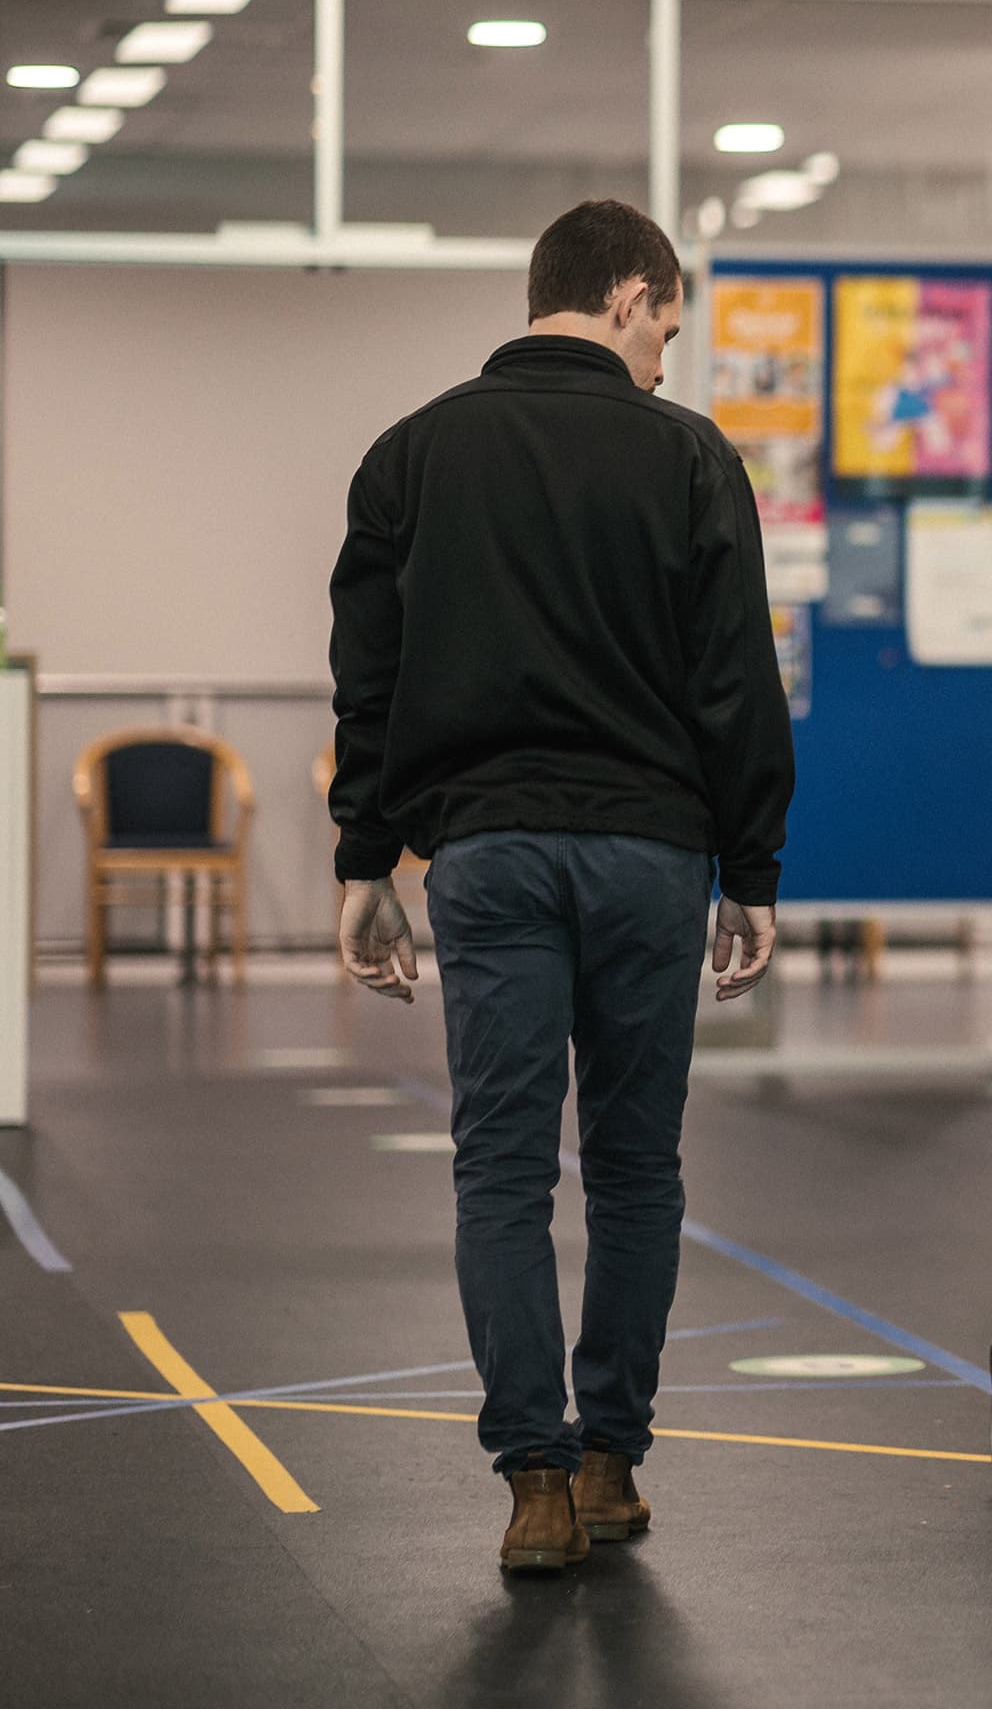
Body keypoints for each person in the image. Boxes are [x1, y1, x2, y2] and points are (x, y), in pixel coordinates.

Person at [328, 199, 794, 1575]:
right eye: (668, 330)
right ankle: (610, 1463)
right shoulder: (690, 457)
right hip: (651, 853)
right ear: (630, 296)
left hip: (486, 855)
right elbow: (735, 682)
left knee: (503, 1167)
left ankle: (532, 1483)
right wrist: (751, 869)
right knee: (637, 1166)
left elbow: (369, 683)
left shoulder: (412, 454)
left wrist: (366, 859)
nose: (664, 359)